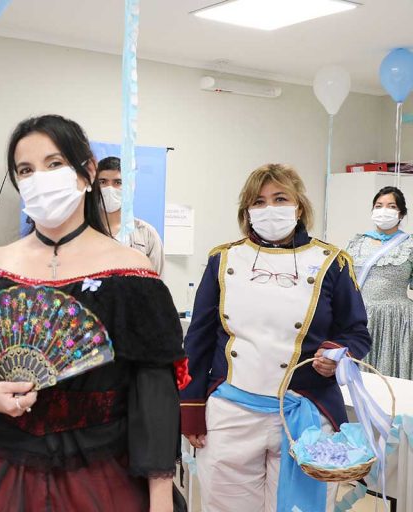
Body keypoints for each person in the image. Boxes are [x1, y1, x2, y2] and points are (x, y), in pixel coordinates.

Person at [0, 115, 187, 512]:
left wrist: (160, 497)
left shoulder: (131, 272)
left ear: (86, 173)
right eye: (26, 170)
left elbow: (153, 392)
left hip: (101, 468)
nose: (39, 179)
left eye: (54, 164)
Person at [180, 164, 371, 512]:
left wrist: (336, 354)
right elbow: (198, 340)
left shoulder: (332, 262)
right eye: (259, 201)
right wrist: (191, 406)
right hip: (230, 413)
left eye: (280, 198)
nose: (269, 209)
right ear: (247, 211)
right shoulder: (223, 259)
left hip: (306, 413)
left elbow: (356, 332)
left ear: (299, 206)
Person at [346, 186, 413, 379]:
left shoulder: (409, 245)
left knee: (393, 379)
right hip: (360, 317)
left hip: (397, 320)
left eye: (391, 206)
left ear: (401, 213)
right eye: (379, 205)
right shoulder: (357, 243)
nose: (384, 210)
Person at [97, 156, 165, 274]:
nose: (109, 188)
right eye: (103, 182)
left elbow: (157, 280)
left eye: (118, 182)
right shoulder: (84, 232)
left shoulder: (147, 235)